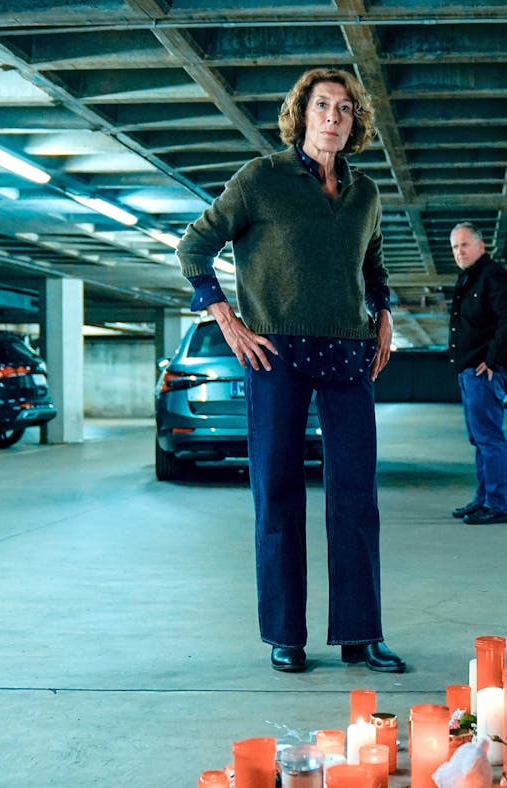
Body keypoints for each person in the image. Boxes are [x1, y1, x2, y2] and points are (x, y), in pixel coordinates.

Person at [176, 68, 404, 675]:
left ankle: (361, 634)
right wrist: (226, 320)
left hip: (349, 354)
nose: (334, 116)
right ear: (302, 114)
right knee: (277, 493)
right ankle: (286, 635)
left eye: (346, 109)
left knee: (355, 496)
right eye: (323, 105)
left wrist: (384, 316)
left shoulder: (365, 193)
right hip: (274, 354)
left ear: (355, 124)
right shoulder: (261, 179)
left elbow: (374, 267)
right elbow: (193, 247)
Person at [446, 222, 507, 525]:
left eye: (465, 244)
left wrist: (492, 359)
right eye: (455, 247)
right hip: (469, 371)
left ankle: (496, 504)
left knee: (489, 439)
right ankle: (483, 500)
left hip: (484, 373)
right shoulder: (468, 279)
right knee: (479, 439)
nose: (459, 251)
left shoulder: (493, 275)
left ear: (481, 245)